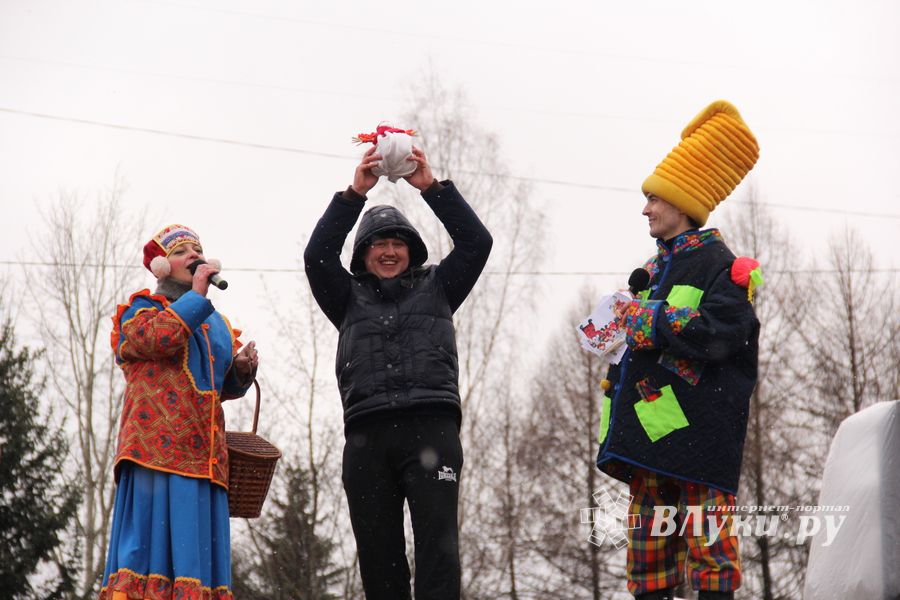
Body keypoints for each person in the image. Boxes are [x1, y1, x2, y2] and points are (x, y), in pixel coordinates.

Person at [304, 144, 492, 600]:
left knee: (438, 548)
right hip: (367, 438)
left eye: (397, 243)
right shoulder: (345, 296)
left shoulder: (439, 285)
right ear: (363, 254)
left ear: (411, 251)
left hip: (432, 429)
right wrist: (354, 194)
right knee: (378, 555)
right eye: (378, 244)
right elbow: (317, 255)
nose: (389, 251)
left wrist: (430, 186)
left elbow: (477, 243)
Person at [595, 100, 761, 600]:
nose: (645, 209)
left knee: (712, 559)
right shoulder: (652, 269)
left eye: (654, 198)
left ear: (682, 203)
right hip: (650, 436)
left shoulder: (724, 267)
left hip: (700, 440)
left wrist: (646, 320)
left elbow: (723, 332)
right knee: (648, 566)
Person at [100, 224, 258, 600]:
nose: (194, 256)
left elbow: (216, 386)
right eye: (182, 252)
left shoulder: (216, 325)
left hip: (205, 460)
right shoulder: (142, 310)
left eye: (198, 250)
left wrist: (240, 372)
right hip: (155, 454)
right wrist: (197, 296)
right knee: (147, 557)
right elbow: (156, 340)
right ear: (161, 266)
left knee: (196, 565)